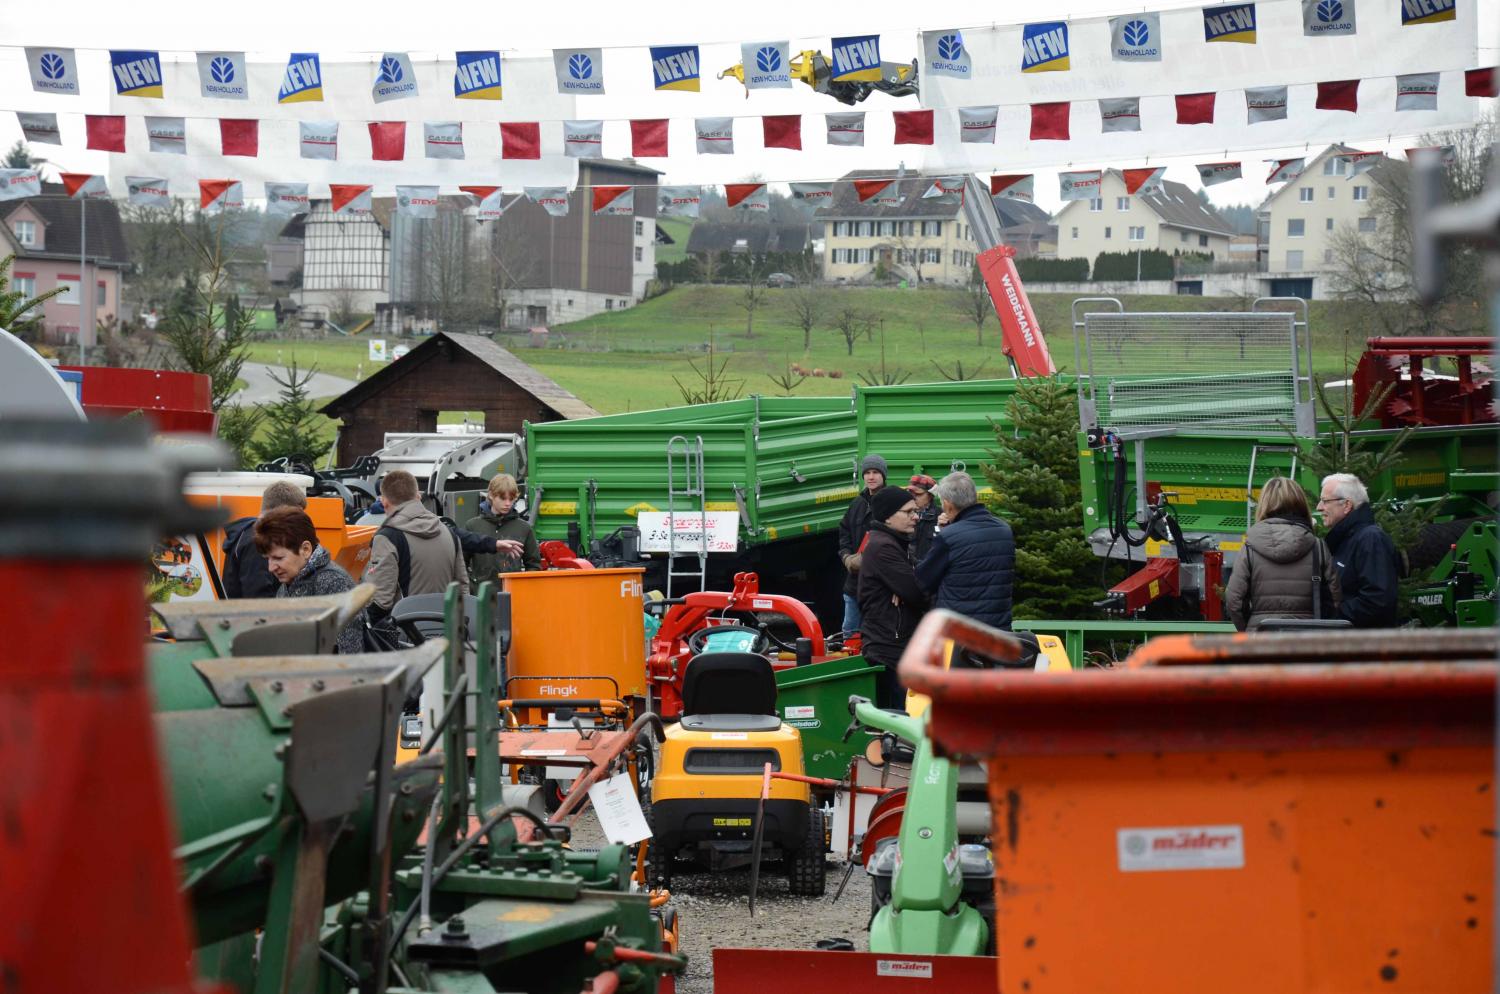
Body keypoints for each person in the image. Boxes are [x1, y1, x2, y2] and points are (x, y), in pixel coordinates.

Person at [1224, 477, 1341, 631]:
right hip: (1306, 639)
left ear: (1264, 504)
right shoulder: (1317, 547)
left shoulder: (1250, 548)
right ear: (1300, 503)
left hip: (1261, 640)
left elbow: (1234, 601)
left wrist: (1250, 628)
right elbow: (1334, 598)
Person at [916, 471, 1016, 634]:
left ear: (948, 504)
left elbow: (923, 580)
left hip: (960, 635)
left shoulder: (949, 536)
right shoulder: (1004, 530)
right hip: (998, 631)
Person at [253, 506, 364, 653]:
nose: (271, 567)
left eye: (278, 558)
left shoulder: (334, 584)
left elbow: (348, 654)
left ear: (305, 549)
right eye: (268, 559)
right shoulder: (290, 581)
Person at [365, 470, 469, 625]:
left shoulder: (387, 537)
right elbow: (463, 590)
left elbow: (382, 601)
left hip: (406, 635)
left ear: (384, 501)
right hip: (447, 631)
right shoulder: (448, 532)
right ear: (418, 496)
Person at [857, 486, 929, 709]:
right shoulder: (883, 547)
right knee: (898, 719)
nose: (915, 517)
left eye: (915, 511)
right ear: (888, 517)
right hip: (889, 647)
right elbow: (919, 592)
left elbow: (918, 582)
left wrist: (907, 587)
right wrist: (908, 589)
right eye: (908, 512)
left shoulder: (898, 543)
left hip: (898, 645)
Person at [1319, 472, 1401, 628]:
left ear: (1346, 505)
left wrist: (1333, 618)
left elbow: (1377, 600)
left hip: (1366, 645)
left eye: (1325, 501)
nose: (1319, 507)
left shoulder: (1371, 540)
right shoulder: (1345, 539)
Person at [222, 480, 308, 599]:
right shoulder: (258, 540)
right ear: (283, 509)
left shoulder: (248, 533)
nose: (298, 521)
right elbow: (259, 598)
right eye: (296, 514)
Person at [836, 453, 888, 636]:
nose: (871, 477)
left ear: (883, 475)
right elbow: (844, 533)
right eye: (867, 472)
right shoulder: (857, 503)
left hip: (879, 585)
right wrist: (846, 557)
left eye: (875, 472)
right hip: (853, 585)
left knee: (876, 633)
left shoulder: (890, 503)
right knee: (849, 633)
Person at [464, 473, 541, 584]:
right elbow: (461, 564)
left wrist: (524, 588)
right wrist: (471, 588)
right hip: (480, 597)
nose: (508, 503)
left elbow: (534, 565)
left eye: (511, 499)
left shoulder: (524, 528)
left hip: (514, 596)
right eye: (503, 498)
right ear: (491, 495)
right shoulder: (472, 526)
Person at [907, 474, 940, 563]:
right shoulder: (902, 515)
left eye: (918, 494)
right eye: (910, 493)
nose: (913, 497)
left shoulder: (941, 517)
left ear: (930, 496)